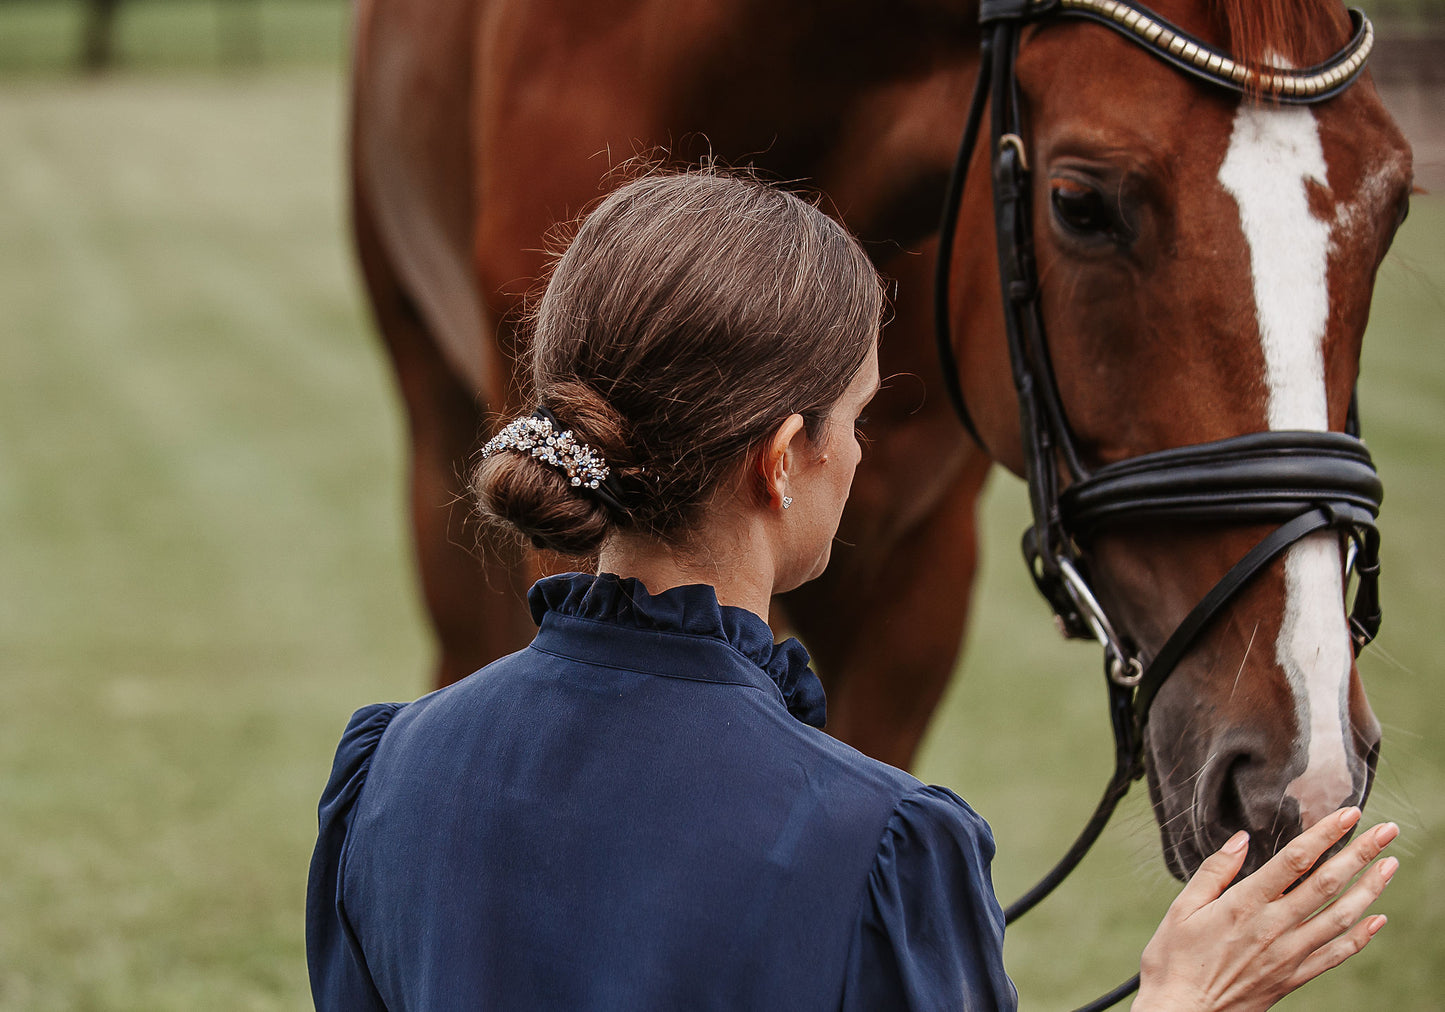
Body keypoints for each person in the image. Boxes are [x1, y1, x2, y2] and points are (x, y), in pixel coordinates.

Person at [306, 170, 1399, 1011]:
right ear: (781, 459)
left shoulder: (385, 776)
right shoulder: (883, 846)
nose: (863, 456)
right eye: (858, 418)